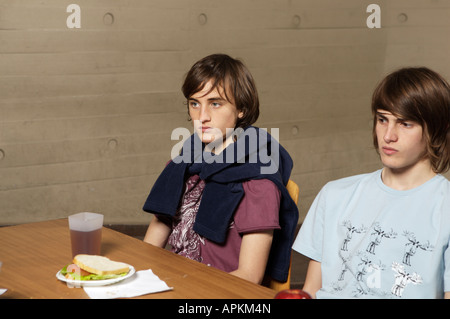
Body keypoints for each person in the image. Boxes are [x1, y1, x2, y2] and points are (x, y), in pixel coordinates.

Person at [293, 67, 450, 298]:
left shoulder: (444, 206)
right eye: (382, 119)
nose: (388, 135)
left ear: (437, 129)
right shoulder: (334, 194)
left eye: (405, 123)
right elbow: (311, 291)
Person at [142, 54, 299, 284]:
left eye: (215, 103)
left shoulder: (257, 182)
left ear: (242, 108)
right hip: (170, 284)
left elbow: (249, 276)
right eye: (195, 103)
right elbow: (149, 251)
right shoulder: (181, 166)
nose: (202, 117)